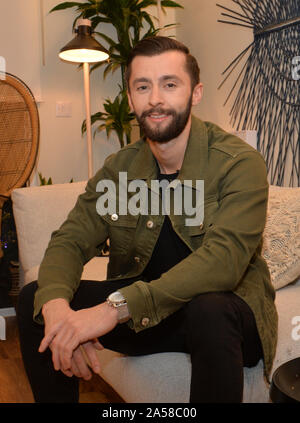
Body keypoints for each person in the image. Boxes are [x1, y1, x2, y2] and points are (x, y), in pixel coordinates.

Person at [17, 36, 278, 403]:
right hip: (152, 315)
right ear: (130, 97)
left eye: (170, 84)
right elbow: (70, 239)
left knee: (210, 307)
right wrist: (59, 312)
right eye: (143, 86)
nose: (155, 98)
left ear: (195, 92)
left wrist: (114, 308)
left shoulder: (238, 162)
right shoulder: (120, 169)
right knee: (35, 300)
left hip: (226, 316)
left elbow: (225, 262)